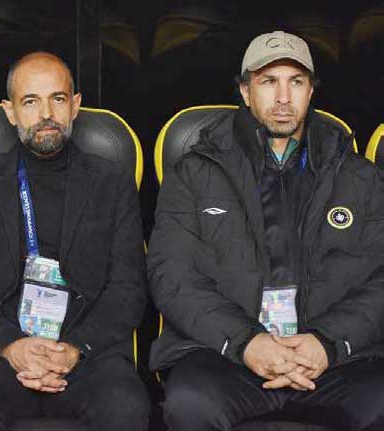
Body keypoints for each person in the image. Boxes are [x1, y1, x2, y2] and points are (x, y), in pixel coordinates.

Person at [147, 31, 384, 430]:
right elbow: (171, 275)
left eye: (296, 82)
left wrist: (328, 342)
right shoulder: (194, 173)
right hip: (228, 358)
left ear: (311, 91)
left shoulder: (360, 177)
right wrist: (246, 343)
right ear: (245, 91)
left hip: (332, 361)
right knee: (189, 403)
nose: (283, 97)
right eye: (269, 81)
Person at [0, 51, 149, 431]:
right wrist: (11, 346)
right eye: (30, 101)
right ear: (10, 111)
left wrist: (75, 349)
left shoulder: (113, 184)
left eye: (58, 99)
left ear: (75, 105)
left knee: (127, 406)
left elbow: (128, 289)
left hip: (86, 355)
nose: (46, 113)